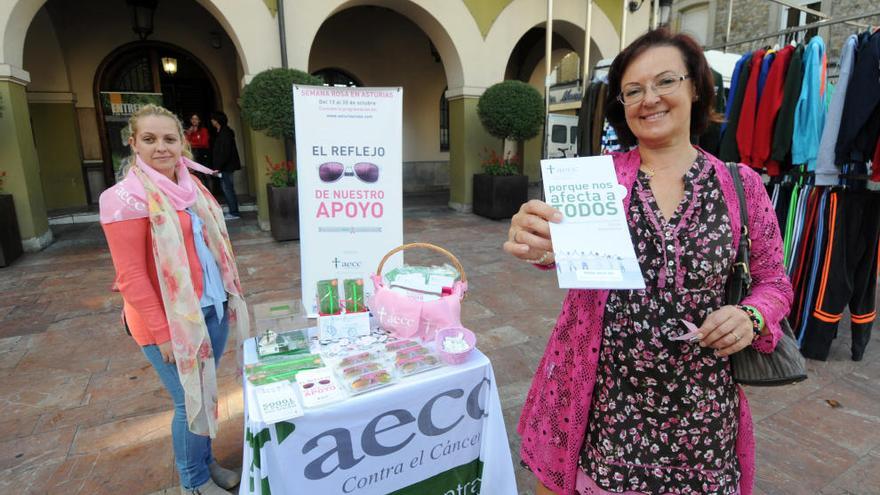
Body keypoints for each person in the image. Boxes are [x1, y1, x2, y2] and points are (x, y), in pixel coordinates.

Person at [505, 29, 793, 495]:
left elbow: (774, 282)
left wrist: (751, 315)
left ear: (695, 87)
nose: (649, 99)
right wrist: (535, 242)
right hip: (607, 409)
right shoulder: (598, 178)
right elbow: (560, 252)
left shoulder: (741, 186)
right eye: (633, 90)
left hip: (702, 419)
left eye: (665, 82)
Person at [99, 104, 250, 495]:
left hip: (210, 309)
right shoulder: (123, 199)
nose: (161, 148)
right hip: (169, 322)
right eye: (149, 139)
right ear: (133, 143)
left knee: (206, 395)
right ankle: (193, 483)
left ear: (182, 142)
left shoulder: (191, 186)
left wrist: (226, 298)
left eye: (169, 139)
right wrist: (163, 332)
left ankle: (206, 461)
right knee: (189, 402)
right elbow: (130, 276)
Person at [210, 111, 242, 220]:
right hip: (224, 166)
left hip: (226, 167)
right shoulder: (221, 132)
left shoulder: (225, 133)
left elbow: (225, 152)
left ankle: (234, 213)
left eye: (213, 119)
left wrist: (218, 166)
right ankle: (233, 211)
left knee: (228, 189)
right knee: (227, 188)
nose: (212, 121)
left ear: (217, 120)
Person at [185, 113, 211, 183]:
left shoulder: (203, 130)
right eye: (192, 119)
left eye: (196, 119)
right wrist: (189, 133)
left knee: (204, 174)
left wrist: (192, 144)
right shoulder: (189, 131)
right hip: (193, 154)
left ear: (199, 121)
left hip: (202, 154)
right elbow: (186, 143)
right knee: (195, 174)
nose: (194, 120)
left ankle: (208, 190)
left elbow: (204, 143)